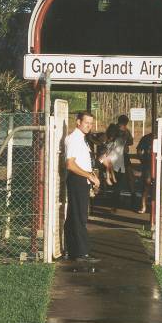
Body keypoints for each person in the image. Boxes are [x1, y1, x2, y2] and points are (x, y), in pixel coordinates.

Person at [64, 111, 100, 260]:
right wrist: (89, 176)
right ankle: (81, 252)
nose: (89, 126)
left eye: (91, 123)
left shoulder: (82, 139)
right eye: (86, 123)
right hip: (77, 179)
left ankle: (72, 250)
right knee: (80, 216)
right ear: (78, 122)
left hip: (83, 179)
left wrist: (92, 176)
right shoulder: (74, 139)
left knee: (74, 215)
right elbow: (70, 164)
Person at [136, 131, 154, 214]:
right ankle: (143, 205)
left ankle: (156, 206)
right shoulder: (146, 138)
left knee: (158, 186)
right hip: (148, 164)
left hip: (158, 164)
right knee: (147, 183)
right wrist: (142, 159)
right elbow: (139, 150)